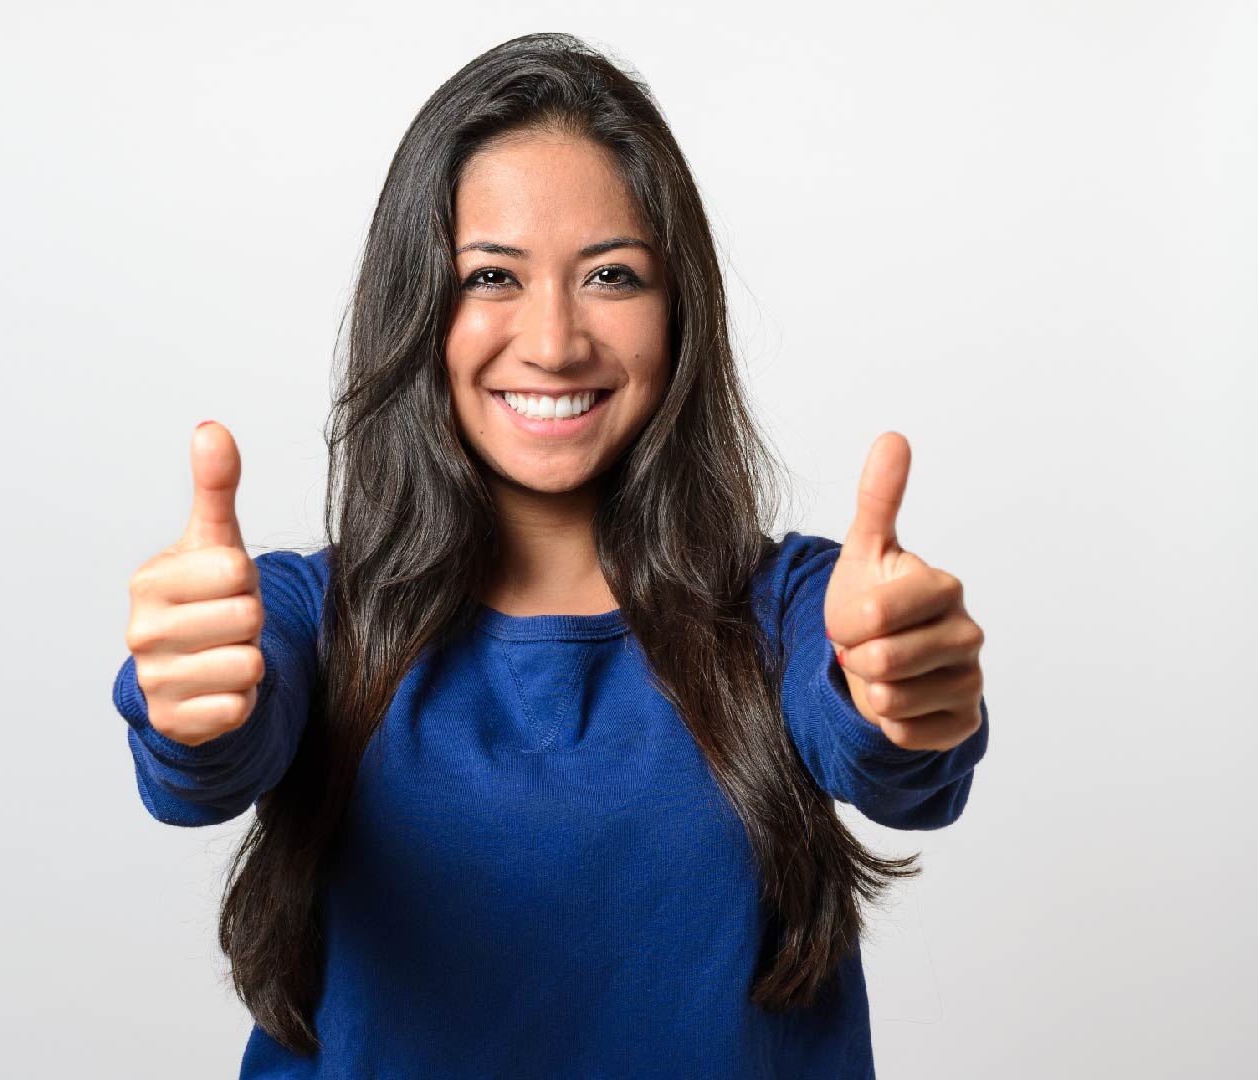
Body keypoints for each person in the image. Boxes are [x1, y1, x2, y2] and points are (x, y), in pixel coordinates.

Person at [114, 31, 989, 1079]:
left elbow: (888, 751)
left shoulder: (792, 604)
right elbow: (208, 759)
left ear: (680, 313)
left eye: (612, 275)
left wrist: (904, 692)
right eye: (491, 276)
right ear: (415, 309)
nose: (555, 340)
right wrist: (189, 704)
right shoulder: (306, 618)